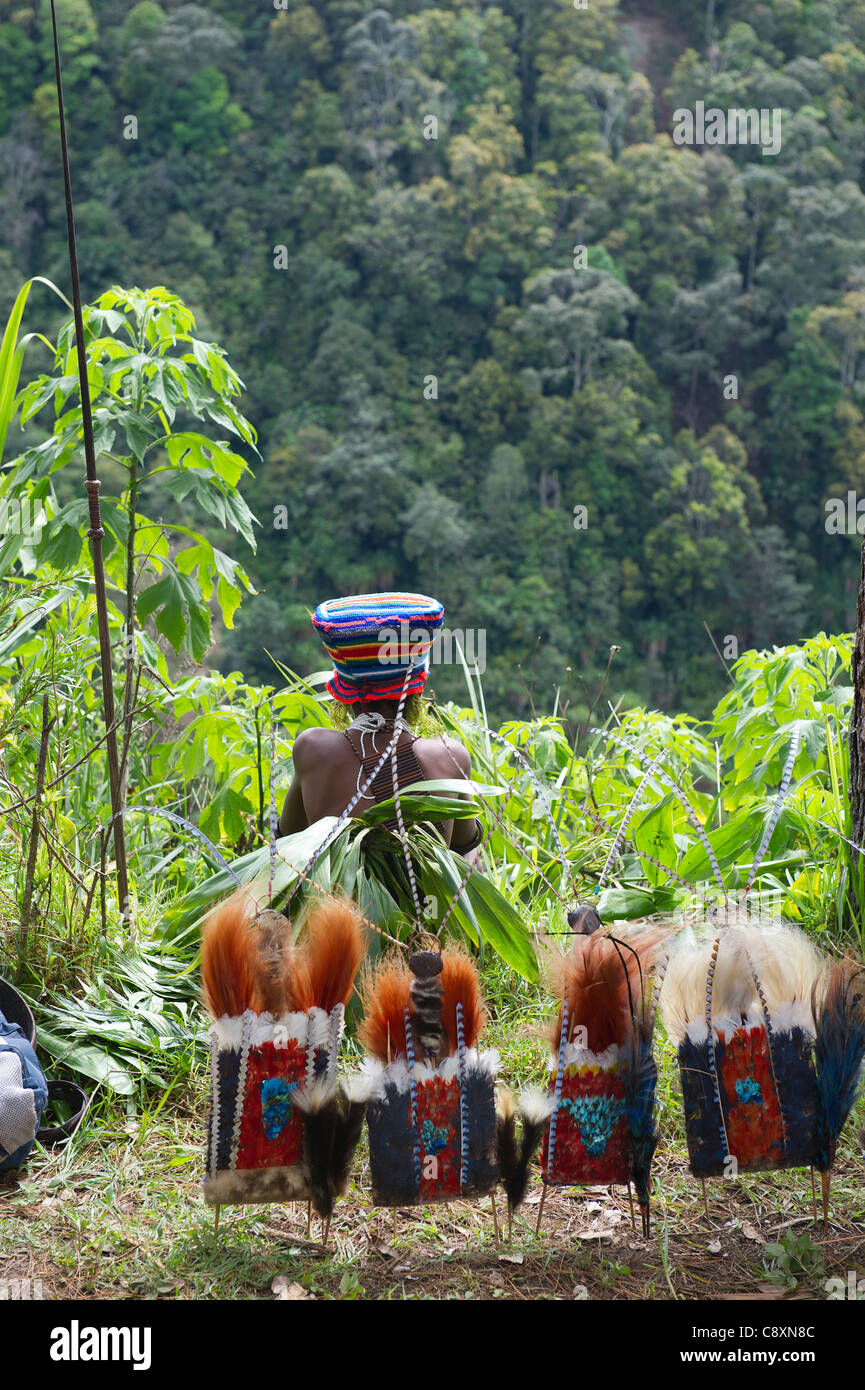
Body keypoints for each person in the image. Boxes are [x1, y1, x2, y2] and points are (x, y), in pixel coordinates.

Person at [278, 592, 483, 856]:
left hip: (329, 897)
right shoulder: (449, 755)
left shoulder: (312, 748)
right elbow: (465, 843)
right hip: (422, 898)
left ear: (343, 690)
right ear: (416, 691)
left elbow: (287, 839)